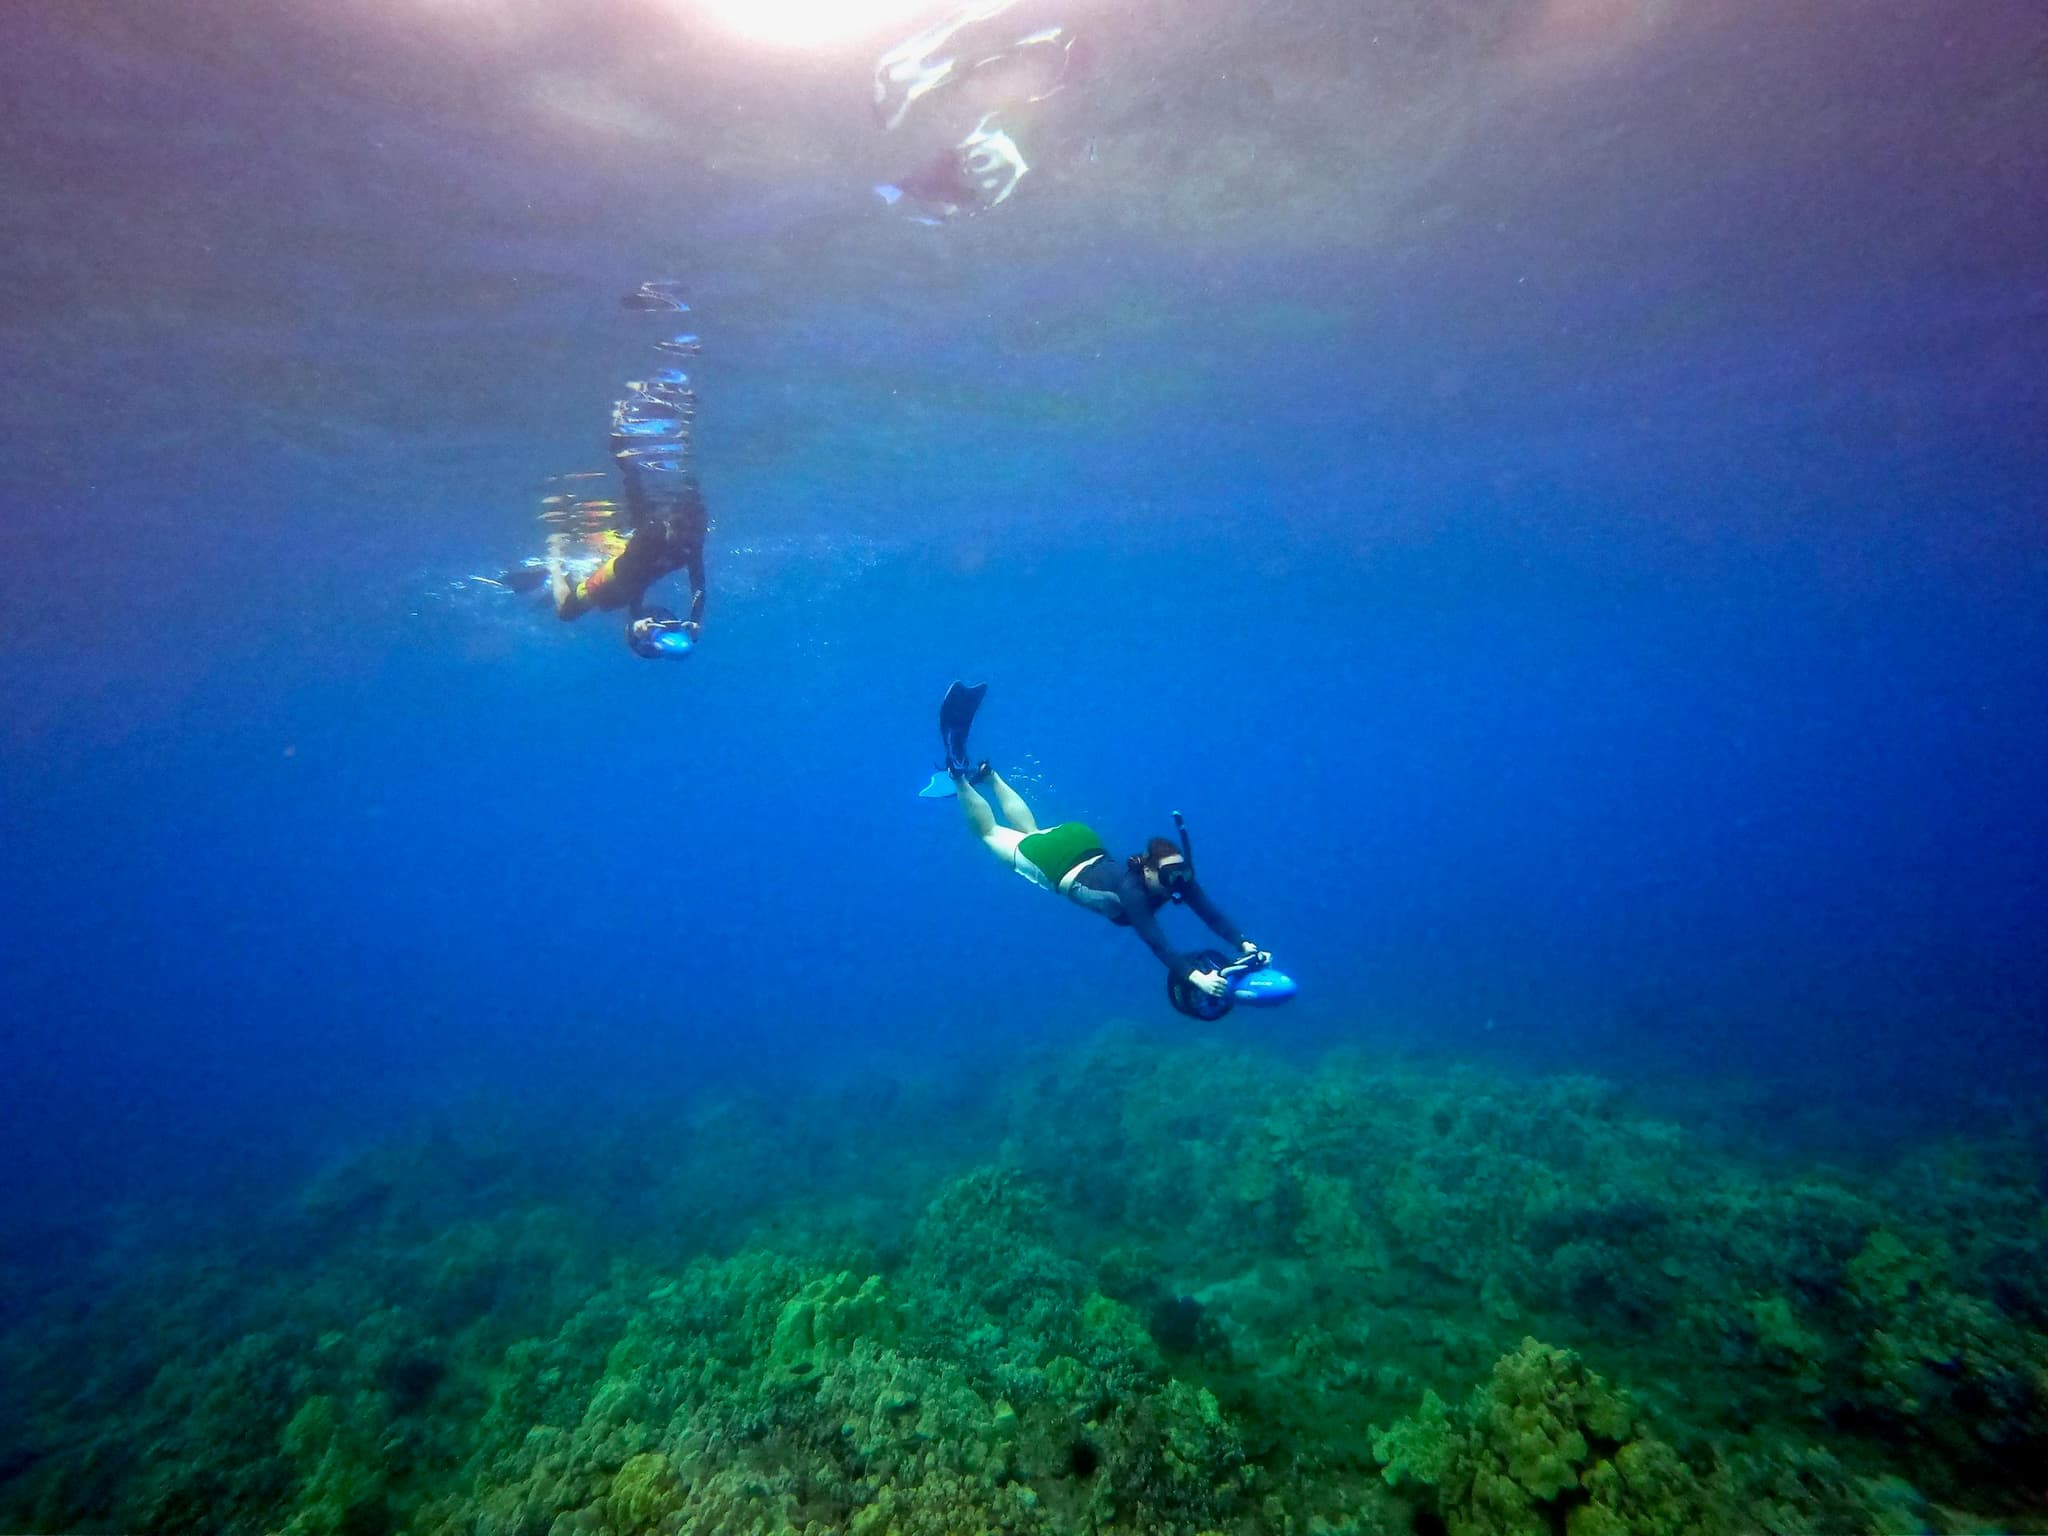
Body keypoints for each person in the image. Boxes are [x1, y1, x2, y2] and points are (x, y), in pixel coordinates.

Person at [937, 682, 1266, 1001]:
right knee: (990, 833)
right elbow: (1157, 942)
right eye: (1168, 878)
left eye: (1179, 876)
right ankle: (959, 773)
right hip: (1058, 861)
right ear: (1149, 871)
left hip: (1080, 839)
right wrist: (1196, 978)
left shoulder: (1175, 878)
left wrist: (1245, 945)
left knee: (1033, 833)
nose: (1175, 885)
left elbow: (1212, 914)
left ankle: (990, 776)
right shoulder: (1132, 891)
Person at [548, 433, 707, 658]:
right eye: (679, 528)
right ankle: (555, 562)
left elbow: (699, 586)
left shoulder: (691, 544)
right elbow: (636, 584)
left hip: (631, 582)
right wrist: (636, 621)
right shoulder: (651, 536)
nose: (685, 534)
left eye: (692, 529)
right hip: (613, 581)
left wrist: (694, 620)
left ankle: (579, 566)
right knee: (566, 612)